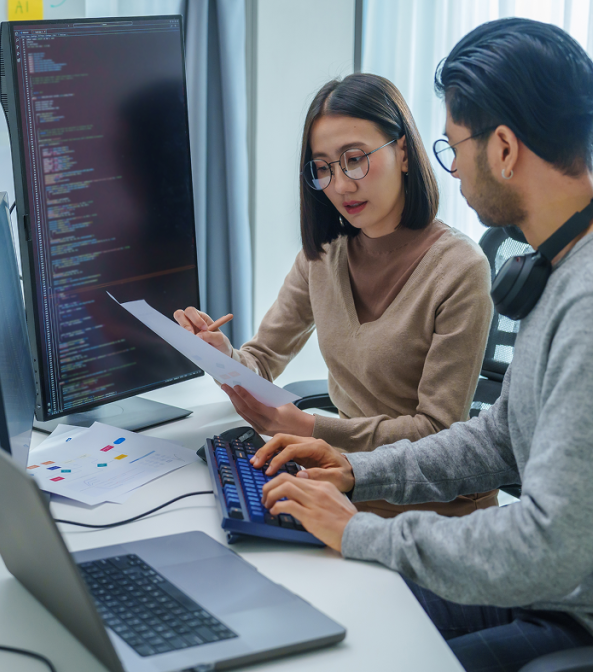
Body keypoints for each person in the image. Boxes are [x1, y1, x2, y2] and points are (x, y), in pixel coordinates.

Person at [249, 18, 593, 672]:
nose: (450, 170)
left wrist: (362, 532)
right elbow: (498, 440)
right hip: (570, 596)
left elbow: (549, 544)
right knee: (351, 621)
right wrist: (356, 472)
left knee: (375, 664)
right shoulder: (566, 265)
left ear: (504, 149)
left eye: (453, 147)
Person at [175, 74, 497, 518]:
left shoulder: (460, 269)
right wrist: (221, 355)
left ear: (402, 152)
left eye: (356, 159)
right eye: (323, 167)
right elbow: (262, 358)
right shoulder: (323, 257)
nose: (341, 185)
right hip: (344, 485)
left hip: (433, 508)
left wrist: (311, 427)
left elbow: (436, 432)